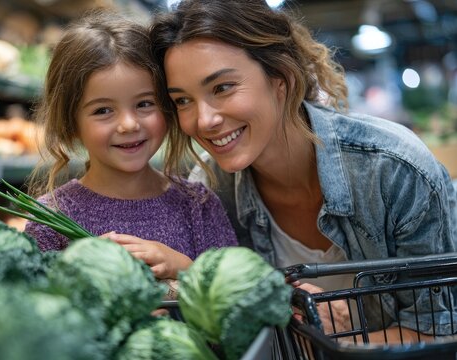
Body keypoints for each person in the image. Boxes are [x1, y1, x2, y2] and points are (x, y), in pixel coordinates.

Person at [149, 0, 457, 342]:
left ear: (281, 79)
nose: (204, 120)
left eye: (222, 88)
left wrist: (337, 345)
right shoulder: (211, 193)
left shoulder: (393, 170)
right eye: (182, 101)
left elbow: (438, 330)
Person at [23, 8, 237, 282]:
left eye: (144, 104)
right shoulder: (51, 220)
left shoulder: (198, 205)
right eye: (103, 110)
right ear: (71, 124)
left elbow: (238, 299)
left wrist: (186, 269)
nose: (128, 124)